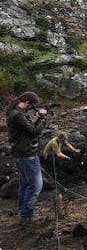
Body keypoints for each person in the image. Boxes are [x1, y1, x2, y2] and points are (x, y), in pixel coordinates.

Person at [5, 91, 47, 221]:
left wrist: (38, 118)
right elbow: (34, 131)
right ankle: (27, 214)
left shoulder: (16, 113)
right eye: (32, 106)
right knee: (35, 185)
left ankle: (23, 213)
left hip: (21, 153)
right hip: (26, 154)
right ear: (28, 103)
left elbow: (29, 129)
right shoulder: (18, 115)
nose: (32, 109)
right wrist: (43, 118)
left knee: (24, 183)